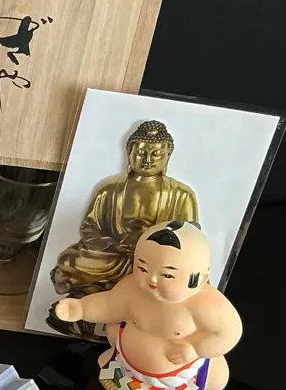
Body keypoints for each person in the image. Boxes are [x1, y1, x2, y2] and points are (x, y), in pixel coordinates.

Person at [54, 220, 241, 390]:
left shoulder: (204, 305)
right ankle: (120, 367)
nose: (152, 279)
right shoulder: (132, 289)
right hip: (125, 362)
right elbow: (109, 305)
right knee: (114, 327)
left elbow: (228, 333)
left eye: (167, 275)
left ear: (199, 278)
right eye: (143, 268)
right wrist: (81, 308)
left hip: (182, 375)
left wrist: (196, 348)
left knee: (217, 374)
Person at [50, 121, 199, 332]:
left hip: (153, 265)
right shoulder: (110, 189)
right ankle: (87, 309)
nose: (147, 160)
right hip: (112, 255)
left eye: (156, 154)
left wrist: (149, 249)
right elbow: (89, 228)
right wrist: (116, 244)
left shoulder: (182, 195)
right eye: (141, 153)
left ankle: (98, 304)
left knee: (169, 279)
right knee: (69, 260)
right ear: (129, 152)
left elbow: (191, 239)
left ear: (168, 155)